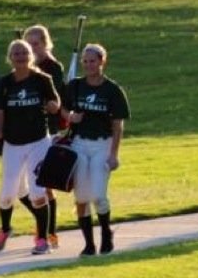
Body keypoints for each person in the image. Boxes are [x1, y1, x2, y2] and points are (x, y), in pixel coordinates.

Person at [0, 39, 60, 255]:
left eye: (24, 53)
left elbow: (55, 103)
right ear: (10, 58)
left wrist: (52, 106)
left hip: (39, 141)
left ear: (31, 56)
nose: (20, 57)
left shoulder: (42, 79)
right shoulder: (4, 83)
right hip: (13, 143)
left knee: (38, 191)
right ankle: (5, 228)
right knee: (7, 194)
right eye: (16, 53)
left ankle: (42, 238)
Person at [61, 43, 130, 256]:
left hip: (103, 144)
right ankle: (89, 244)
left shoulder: (112, 90)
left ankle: (106, 234)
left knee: (99, 196)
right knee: (81, 197)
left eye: (93, 61)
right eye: (86, 61)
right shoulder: (75, 86)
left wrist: (114, 154)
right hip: (80, 143)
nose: (89, 65)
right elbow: (62, 108)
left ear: (102, 62)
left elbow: (118, 125)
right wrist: (71, 116)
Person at [23, 24, 66, 249]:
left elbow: (52, 99)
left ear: (45, 43)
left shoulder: (52, 67)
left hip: (47, 132)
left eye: (35, 44)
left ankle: (49, 232)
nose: (32, 48)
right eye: (28, 44)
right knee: (26, 187)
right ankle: (44, 227)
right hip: (25, 134)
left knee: (44, 183)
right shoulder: (22, 70)